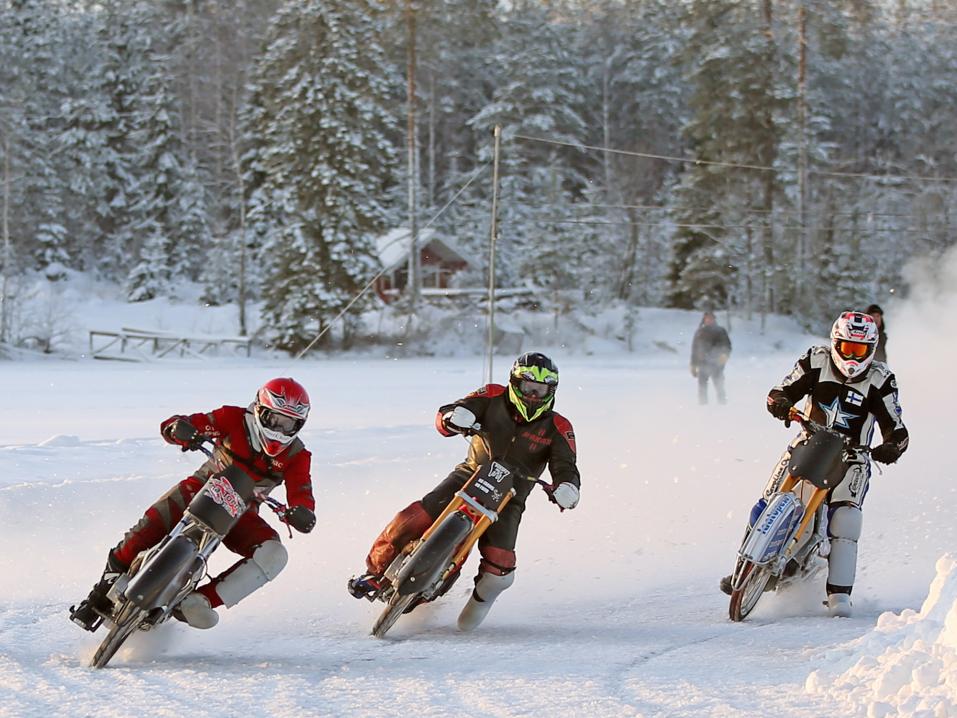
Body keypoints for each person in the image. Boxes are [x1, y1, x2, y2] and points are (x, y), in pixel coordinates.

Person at [347, 352, 581, 631]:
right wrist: (453, 418)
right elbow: (451, 411)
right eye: (528, 387)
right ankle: (373, 573)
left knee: (500, 566)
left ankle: (478, 604)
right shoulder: (492, 395)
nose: (533, 395)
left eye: (540, 390)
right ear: (514, 383)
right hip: (469, 474)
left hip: (511, 497)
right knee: (410, 518)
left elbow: (566, 465)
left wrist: (567, 487)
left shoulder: (558, 426)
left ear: (551, 391)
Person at [70, 378, 316, 631]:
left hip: (241, 513)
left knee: (274, 554)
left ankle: (199, 602)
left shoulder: (297, 455)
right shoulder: (232, 418)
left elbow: (302, 491)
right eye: (274, 419)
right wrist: (180, 429)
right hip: (200, 488)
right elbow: (183, 423)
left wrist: (303, 513)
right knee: (148, 526)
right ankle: (100, 593)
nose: (280, 429)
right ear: (259, 410)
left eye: (289, 424)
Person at [720, 311, 908, 617]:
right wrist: (781, 403)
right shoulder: (815, 361)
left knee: (845, 517)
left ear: (872, 349)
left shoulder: (881, 379)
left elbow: (895, 425)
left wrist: (892, 446)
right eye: (847, 347)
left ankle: (839, 595)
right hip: (810, 440)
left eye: (860, 350)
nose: (852, 357)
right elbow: (783, 390)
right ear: (835, 342)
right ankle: (744, 567)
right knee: (768, 500)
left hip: (853, 455)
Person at [690, 311, 732, 404]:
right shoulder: (699, 332)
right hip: (702, 363)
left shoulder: (720, 331)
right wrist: (693, 364)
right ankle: (703, 405)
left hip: (716, 363)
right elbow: (695, 349)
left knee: (719, 385)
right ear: (704, 319)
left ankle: (722, 404)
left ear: (714, 319)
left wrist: (724, 355)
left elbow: (727, 345)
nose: (709, 320)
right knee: (702, 386)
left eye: (711, 318)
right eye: (707, 318)